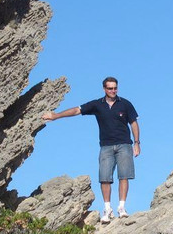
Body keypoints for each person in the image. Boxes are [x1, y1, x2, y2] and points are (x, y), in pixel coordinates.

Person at [41, 76, 140, 223]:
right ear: (104, 89)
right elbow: (76, 110)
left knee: (124, 176)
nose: (113, 91)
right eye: (110, 88)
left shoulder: (125, 104)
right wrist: (56, 116)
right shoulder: (97, 105)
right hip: (105, 146)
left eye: (115, 88)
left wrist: (137, 143)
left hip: (124, 144)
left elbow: (133, 123)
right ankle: (107, 209)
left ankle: (121, 207)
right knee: (104, 177)